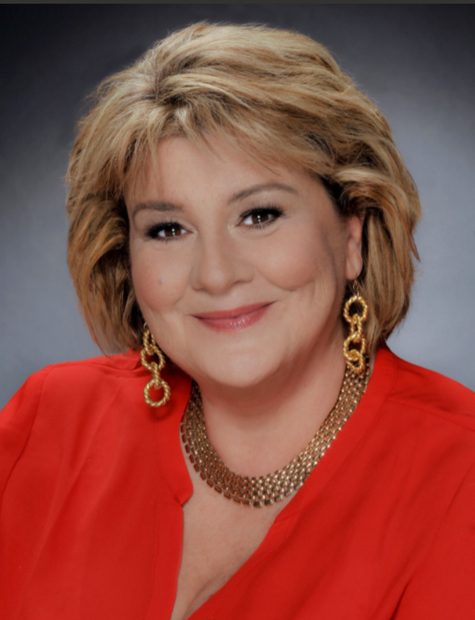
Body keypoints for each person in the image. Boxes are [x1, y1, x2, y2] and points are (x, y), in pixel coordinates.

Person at [1, 22, 474, 620]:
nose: (216, 275)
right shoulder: (49, 420)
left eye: (259, 215)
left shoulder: (460, 474)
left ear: (352, 235)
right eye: (168, 229)